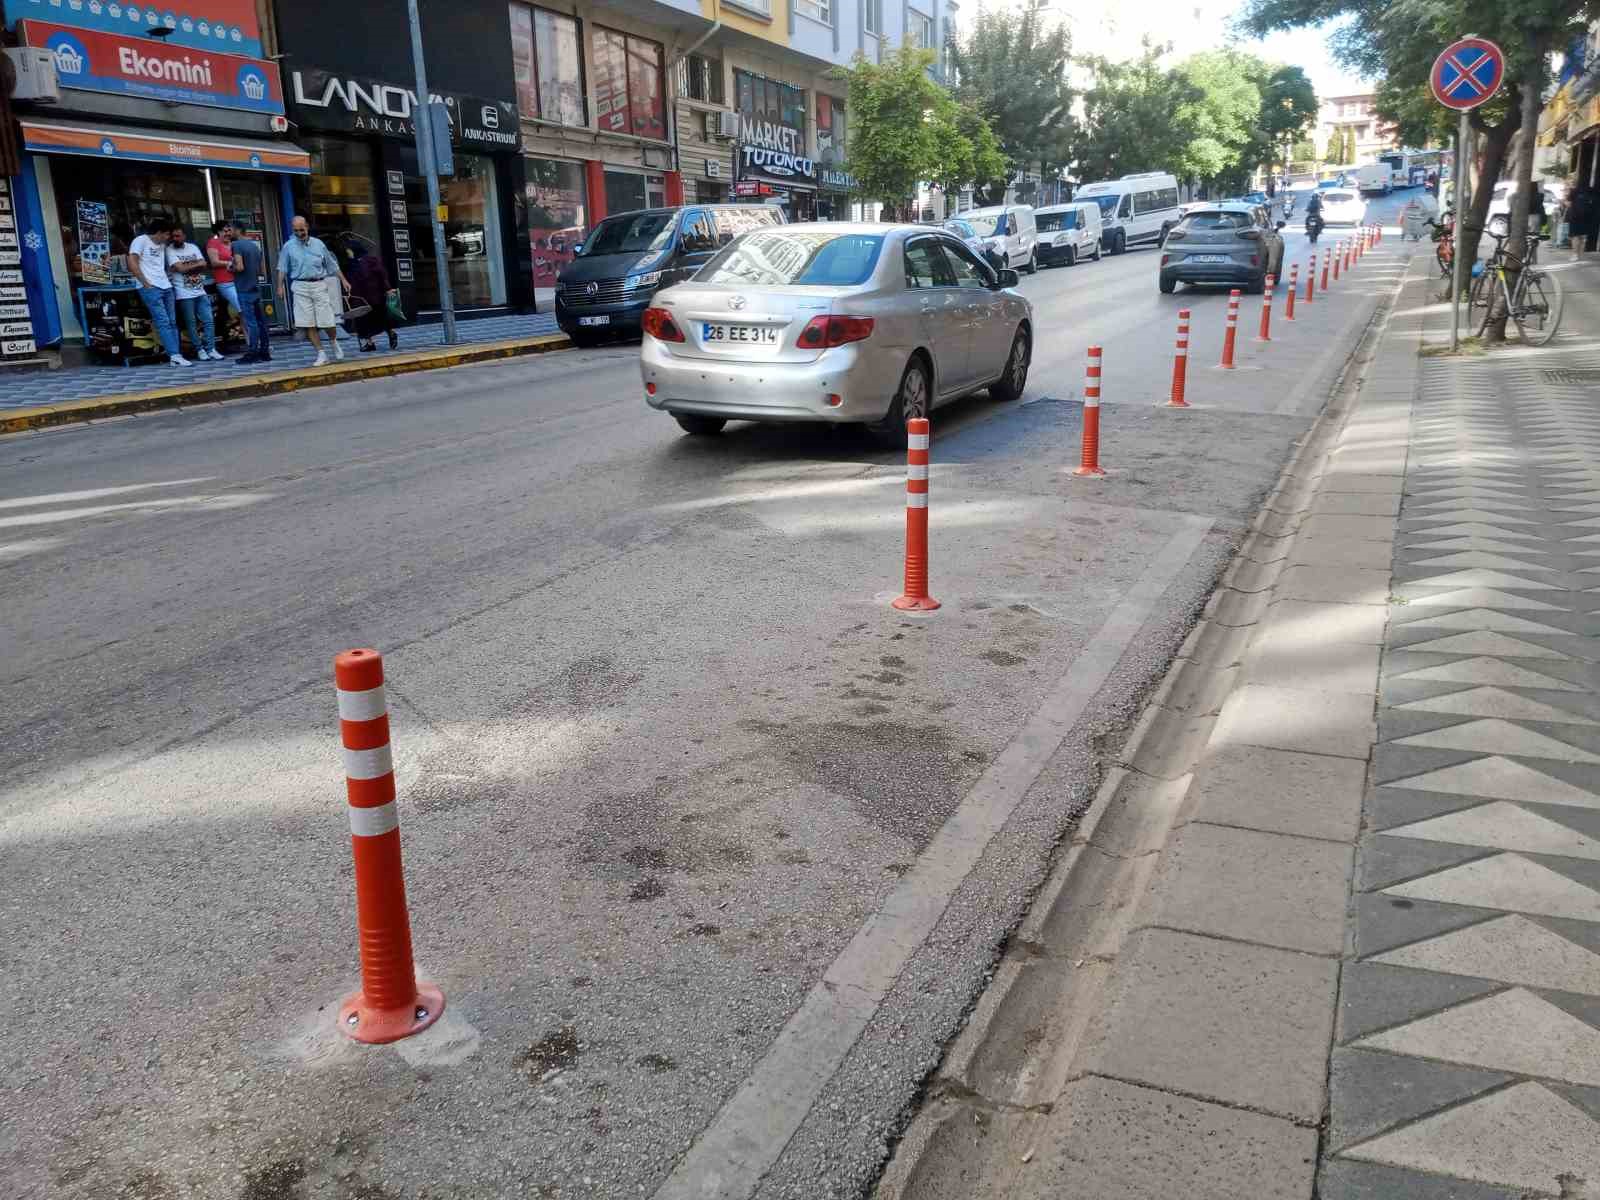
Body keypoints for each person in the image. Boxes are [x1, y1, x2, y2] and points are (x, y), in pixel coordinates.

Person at [276, 214, 351, 366]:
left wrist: (343, 280)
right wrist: (279, 286)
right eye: (296, 231)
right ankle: (321, 354)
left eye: (301, 230)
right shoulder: (288, 246)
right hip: (300, 286)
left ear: (307, 227)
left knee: (328, 321)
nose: (299, 234)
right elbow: (282, 268)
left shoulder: (319, 244)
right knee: (307, 322)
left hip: (318, 284)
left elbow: (331, 265)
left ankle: (333, 341)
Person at [127, 215, 187, 367]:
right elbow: (132, 262)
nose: (168, 238)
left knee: (172, 322)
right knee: (163, 322)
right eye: (167, 234)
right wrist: (145, 283)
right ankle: (174, 354)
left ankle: (176, 355)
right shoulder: (140, 241)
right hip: (150, 287)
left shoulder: (162, 246)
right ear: (159, 232)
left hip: (165, 286)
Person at [166, 226, 223, 362]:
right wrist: (193, 265)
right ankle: (200, 350)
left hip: (200, 290)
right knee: (191, 324)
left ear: (184, 236)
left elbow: (203, 264)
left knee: (208, 320)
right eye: (173, 236)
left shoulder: (192, 247)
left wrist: (185, 267)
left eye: (178, 236)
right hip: (183, 293)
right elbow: (180, 268)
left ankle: (211, 349)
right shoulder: (169, 250)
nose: (175, 239)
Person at [341, 235, 401, 352]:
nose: (348, 253)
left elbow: (382, 274)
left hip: (374, 295)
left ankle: (387, 335)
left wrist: (387, 289)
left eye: (349, 250)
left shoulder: (369, 260)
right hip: (361, 297)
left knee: (377, 317)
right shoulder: (352, 264)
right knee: (364, 320)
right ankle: (371, 342)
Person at [229, 227, 272, 364]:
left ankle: (253, 353)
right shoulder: (254, 246)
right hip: (255, 288)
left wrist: (231, 268)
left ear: (237, 231)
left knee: (251, 323)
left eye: (231, 230)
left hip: (244, 288)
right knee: (261, 322)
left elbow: (240, 267)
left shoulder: (236, 245)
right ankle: (264, 352)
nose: (230, 232)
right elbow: (262, 271)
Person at [207, 220, 241, 339]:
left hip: (238, 281)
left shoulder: (234, 243)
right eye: (224, 231)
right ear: (218, 232)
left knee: (241, 310)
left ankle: (245, 338)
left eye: (229, 230)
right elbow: (214, 262)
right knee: (242, 309)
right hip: (225, 283)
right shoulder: (213, 242)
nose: (227, 233)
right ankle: (251, 341)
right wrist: (230, 263)